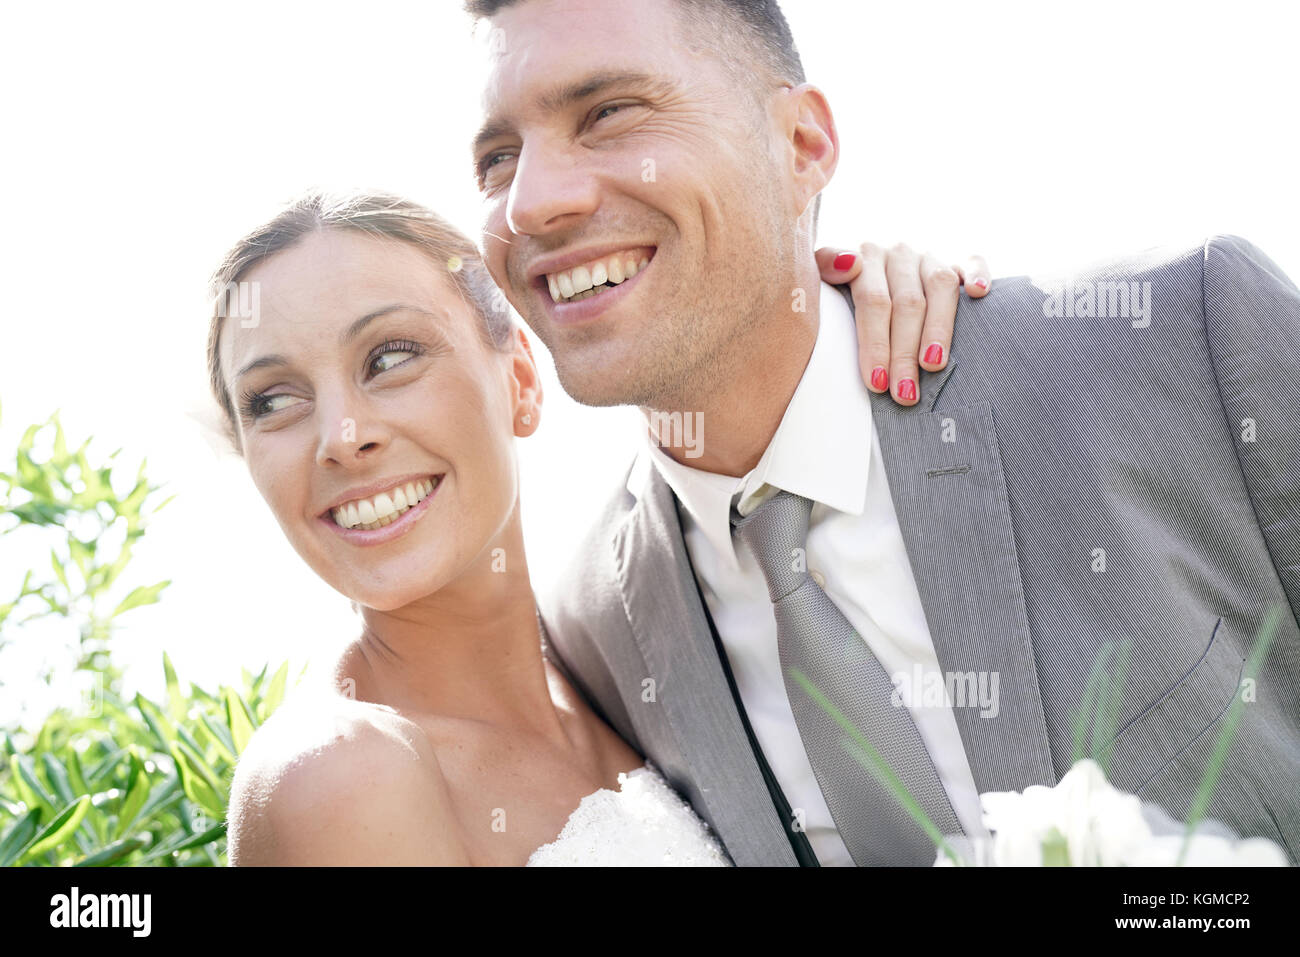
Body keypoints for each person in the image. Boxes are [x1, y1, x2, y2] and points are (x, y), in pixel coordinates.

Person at [467, 0, 1300, 866]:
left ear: (802, 146)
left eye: (607, 114)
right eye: (498, 158)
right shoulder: (590, 632)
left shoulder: (1186, 342)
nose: (532, 202)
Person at [216, 191, 988, 865]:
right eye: (272, 400)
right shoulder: (341, 778)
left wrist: (862, 307)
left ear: (520, 379)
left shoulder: (624, 661)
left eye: (389, 356)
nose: (341, 436)